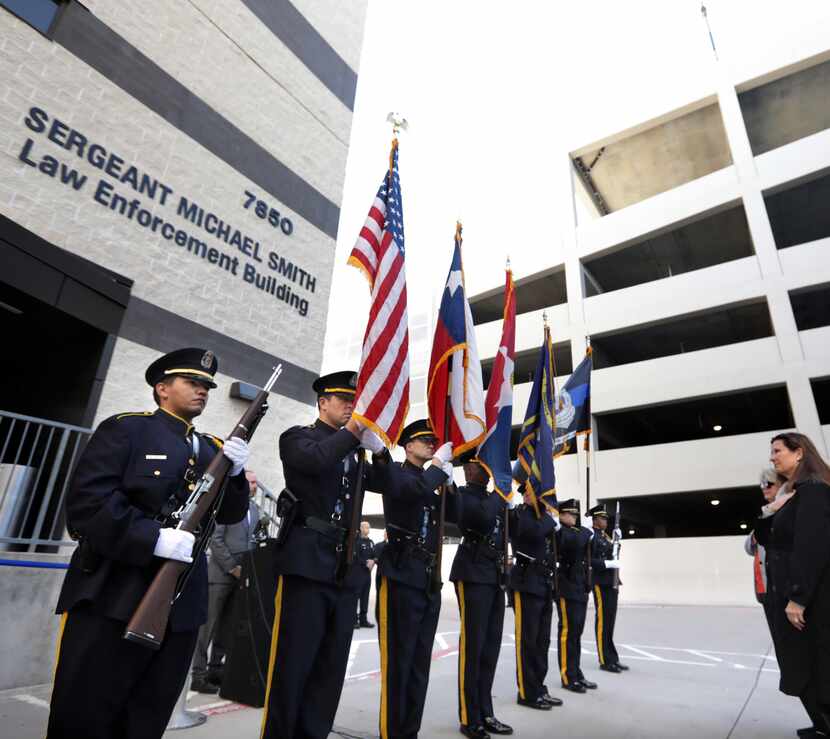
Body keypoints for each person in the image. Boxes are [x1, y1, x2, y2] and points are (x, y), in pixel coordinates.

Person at [47, 348, 250, 739]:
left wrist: (236, 473)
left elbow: (229, 514)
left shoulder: (211, 449)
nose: (203, 391)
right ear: (162, 388)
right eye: (192, 382)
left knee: (147, 716)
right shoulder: (125, 430)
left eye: (207, 386)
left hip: (180, 604)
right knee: (86, 711)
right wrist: (152, 538)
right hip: (113, 593)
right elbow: (87, 505)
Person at [259, 371, 387, 739]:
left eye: (354, 400)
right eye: (343, 400)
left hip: (343, 569)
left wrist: (381, 454)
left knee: (329, 669)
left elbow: (390, 484)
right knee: (293, 664)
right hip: (306, 563)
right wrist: (353, 435)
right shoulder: (299, 437)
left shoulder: (356, 450)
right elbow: (314, 462)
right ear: (322, 402)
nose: (351, 406)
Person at [372, 418, 455, 739]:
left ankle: (409, 731)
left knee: (420, 664)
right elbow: (411, 491)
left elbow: (457, 516)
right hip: (401, 574)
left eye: (432, 441)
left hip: (428, 577)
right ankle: (391, 732)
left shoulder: (432, 479)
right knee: (399, 662)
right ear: (407, 446)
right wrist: (437, 468)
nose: (430, 445)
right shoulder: (395, 473)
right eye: (423, 441)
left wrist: (449, 482)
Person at [754, 432, 830, 739]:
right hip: (791, 594)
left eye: (777, 450)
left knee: (812, 666)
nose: (773, 457)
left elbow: (811, 547)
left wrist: (798, 598)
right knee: (802, 666)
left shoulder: (813, 490)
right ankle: (823, 725)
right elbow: (765, 537)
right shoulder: (796, 493)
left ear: (799, 453)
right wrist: (772, 509)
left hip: (810, 599)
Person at [451, 458, 513, 739]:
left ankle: (485, 712)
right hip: (472, 571)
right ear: (467, 470)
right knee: (473, 646)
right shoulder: (464, 496)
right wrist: (502, 496)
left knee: (490, 647)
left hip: (494, 573)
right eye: (477, 466)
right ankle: (469, 716)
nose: (481, 470)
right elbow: (484, 518)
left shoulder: (493, 498)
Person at [192, 469, 264, 693]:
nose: (253, 486)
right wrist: (232, 567)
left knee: (227, 627)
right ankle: (198, 674)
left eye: (255, 483)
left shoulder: (255, 510)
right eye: (250, 482)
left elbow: (253, 541)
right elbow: (216, 539)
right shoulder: (228, 505)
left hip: (242, 578)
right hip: (221, 576)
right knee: (208, 627)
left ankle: (215, 669)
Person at [510, 486, 563, 711]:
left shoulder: (544, 518)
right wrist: (552, 521)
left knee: (542, 642)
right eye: (528, 493)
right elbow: (530, 532)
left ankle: (539, 687)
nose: (529, 496)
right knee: (528, 641)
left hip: (543, 584)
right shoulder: (521, 514)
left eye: (534, 493)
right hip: (526, 582)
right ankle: (527, 692)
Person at [556, 498, 596, 694]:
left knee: (576, 634)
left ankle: (576, 672)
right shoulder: (560, 532)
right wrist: (588, 530)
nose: (574, 517)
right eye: (570, 514)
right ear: (561, 515)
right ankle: (567, 675)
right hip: (566, 586)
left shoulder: (578, 531)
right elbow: (572, 546)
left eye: (575, 514)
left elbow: (590, 544)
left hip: (579, 586)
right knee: (568, 633)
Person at [744, 468, 788, 641]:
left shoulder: (783, 512)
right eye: (761, 484)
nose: (764, 488)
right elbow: (749, 547)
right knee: (779, 640)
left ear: (781, 485)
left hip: (782, 590)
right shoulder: (768, 512)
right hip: (766, 589)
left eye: (768, 483)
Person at [588, 504, 626, 674]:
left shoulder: (606, 536)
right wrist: (607, 563)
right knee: (603, 621)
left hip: (612, 581)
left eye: (606, 518)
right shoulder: (592, 537)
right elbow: (590, 561)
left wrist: (618, 542)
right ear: (595, 520)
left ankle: (612, 657)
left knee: (610, 621)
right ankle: (605, 659)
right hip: (601, 582)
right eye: (603, 518)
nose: (605, 521)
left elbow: (614, 554)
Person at [355, 521, 377, 628]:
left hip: (367, 574)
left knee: (365, 596)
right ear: (361, 528)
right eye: (366, 527)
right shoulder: (357, 542)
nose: (368, 529)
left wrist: (373, 561)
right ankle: (354, 619)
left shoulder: (371, 542)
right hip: (358, 573)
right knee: (356, 596)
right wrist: (365, 563)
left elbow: (374, 555)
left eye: (369, 527)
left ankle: (363, 619)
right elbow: (356, 556)